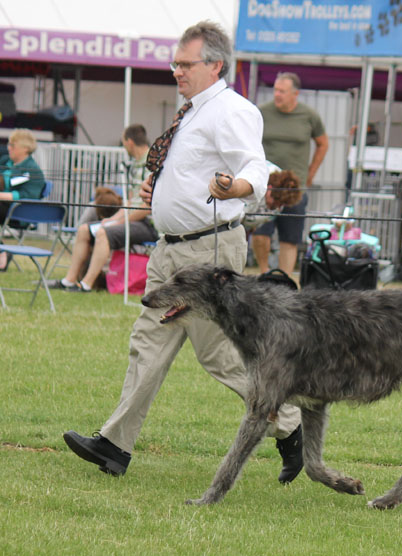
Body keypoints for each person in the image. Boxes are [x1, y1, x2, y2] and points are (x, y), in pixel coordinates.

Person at [62, 21, 303, 484]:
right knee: (147, 344)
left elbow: (254, 166)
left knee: (219, 355)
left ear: (215, 65)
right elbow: (189, 169)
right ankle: (114, 446)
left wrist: (236, 185)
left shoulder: (232, 110)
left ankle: (290, 424)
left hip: (207, 253)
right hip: (170, 251)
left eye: (185, 64)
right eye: (175, 63)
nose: (176, 71)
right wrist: (162, 186)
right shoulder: (191, 112)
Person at [48, 124, 158, 292]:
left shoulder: (153, 164)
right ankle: (69, 281)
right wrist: (111, 219)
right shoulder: (135, 165)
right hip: (131, 219)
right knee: (85, 230)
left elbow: (147, 208)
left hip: (149, 225)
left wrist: (118, 222)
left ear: (129, 142)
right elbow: (129, 203)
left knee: (103, 233)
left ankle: (86, 285)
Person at [251, 72, 329, 276]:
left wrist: (310, 174)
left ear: (295, 94)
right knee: (260, 234)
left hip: (295, 188)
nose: (277, 95)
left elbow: (323, 143)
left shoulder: (309, 115)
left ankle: (284, 279)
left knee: (289, 238)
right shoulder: (262, 113)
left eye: (282, 91)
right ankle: (264, 273)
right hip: (265, 187)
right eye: (275, 90)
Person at [0, 128, 46, 271]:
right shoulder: (5, 162)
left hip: (20, 212)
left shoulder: (33, 170)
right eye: (9, 144)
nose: (9, 148)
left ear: (25, 149)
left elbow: (28, 196)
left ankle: (2, 253)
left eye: (13, 145)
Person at [242, 163, 302, 233]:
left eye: (281, 204)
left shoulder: (276, 208)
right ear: (269, 189)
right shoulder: (254, 179)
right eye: (275, 202)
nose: (277, 207)